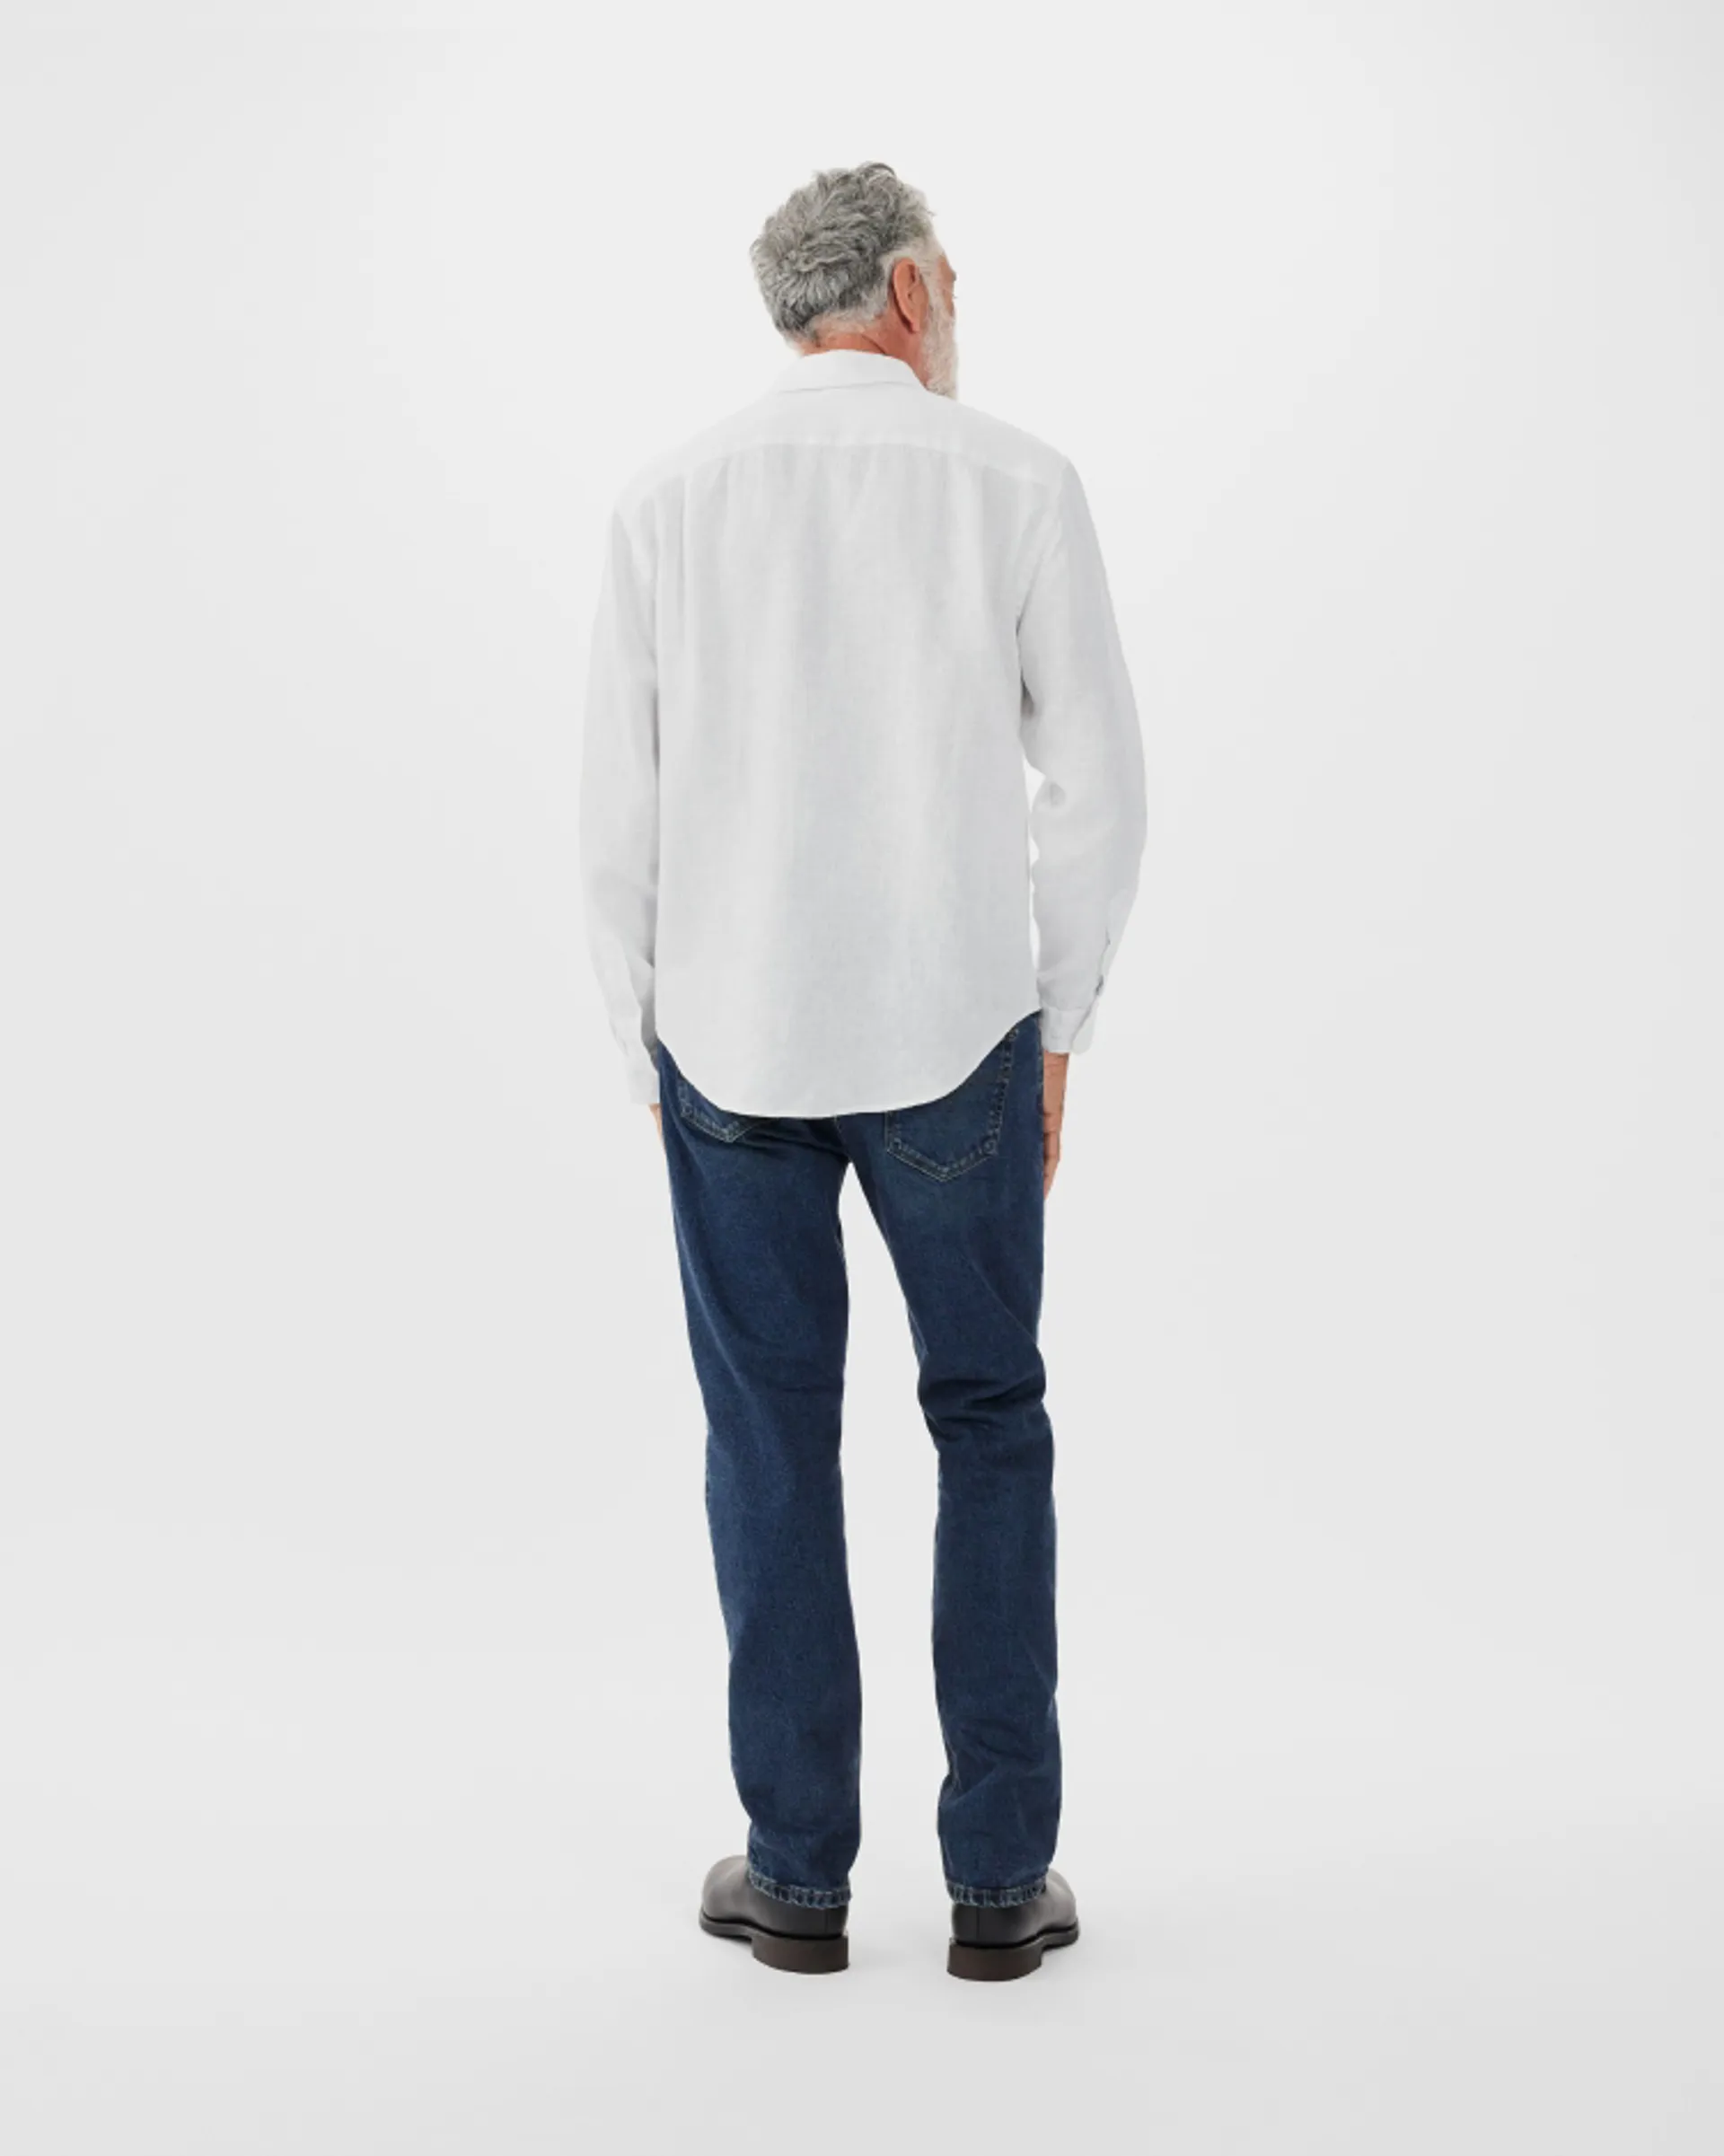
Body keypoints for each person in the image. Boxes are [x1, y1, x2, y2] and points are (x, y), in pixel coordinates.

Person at [578, 161, 1147, 1980]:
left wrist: (643, 1037)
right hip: (953, 1031)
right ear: (908, 290)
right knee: (989, 1420)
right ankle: (1000, 1885)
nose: (960, 309)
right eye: (952, 281)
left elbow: (614, 816)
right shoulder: (1017, 482)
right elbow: (1100, 792)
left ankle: (797, 1882)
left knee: (768, 1438)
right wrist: (1059, 1024)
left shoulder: (669, 500)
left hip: (730, 1037)